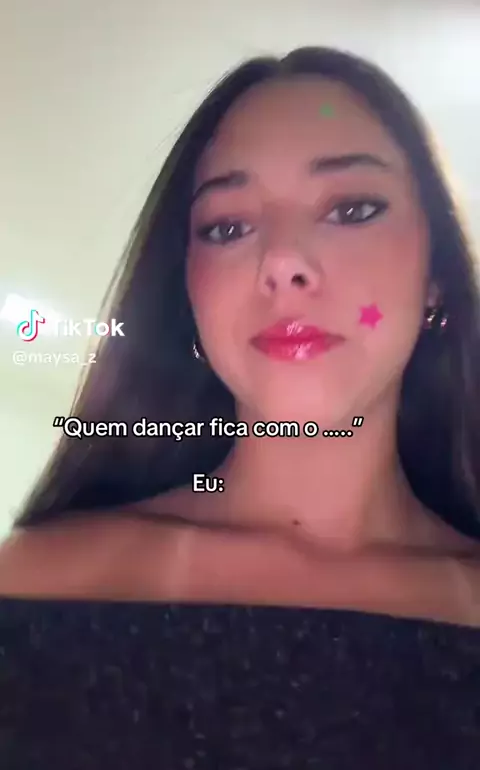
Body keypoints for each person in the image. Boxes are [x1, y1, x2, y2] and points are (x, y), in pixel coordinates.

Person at [1, 47, 480, 768]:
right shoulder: (36, 583)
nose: (282, 262)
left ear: (436, 272)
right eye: (228, 226)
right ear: (189, 293)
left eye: (352, 209)